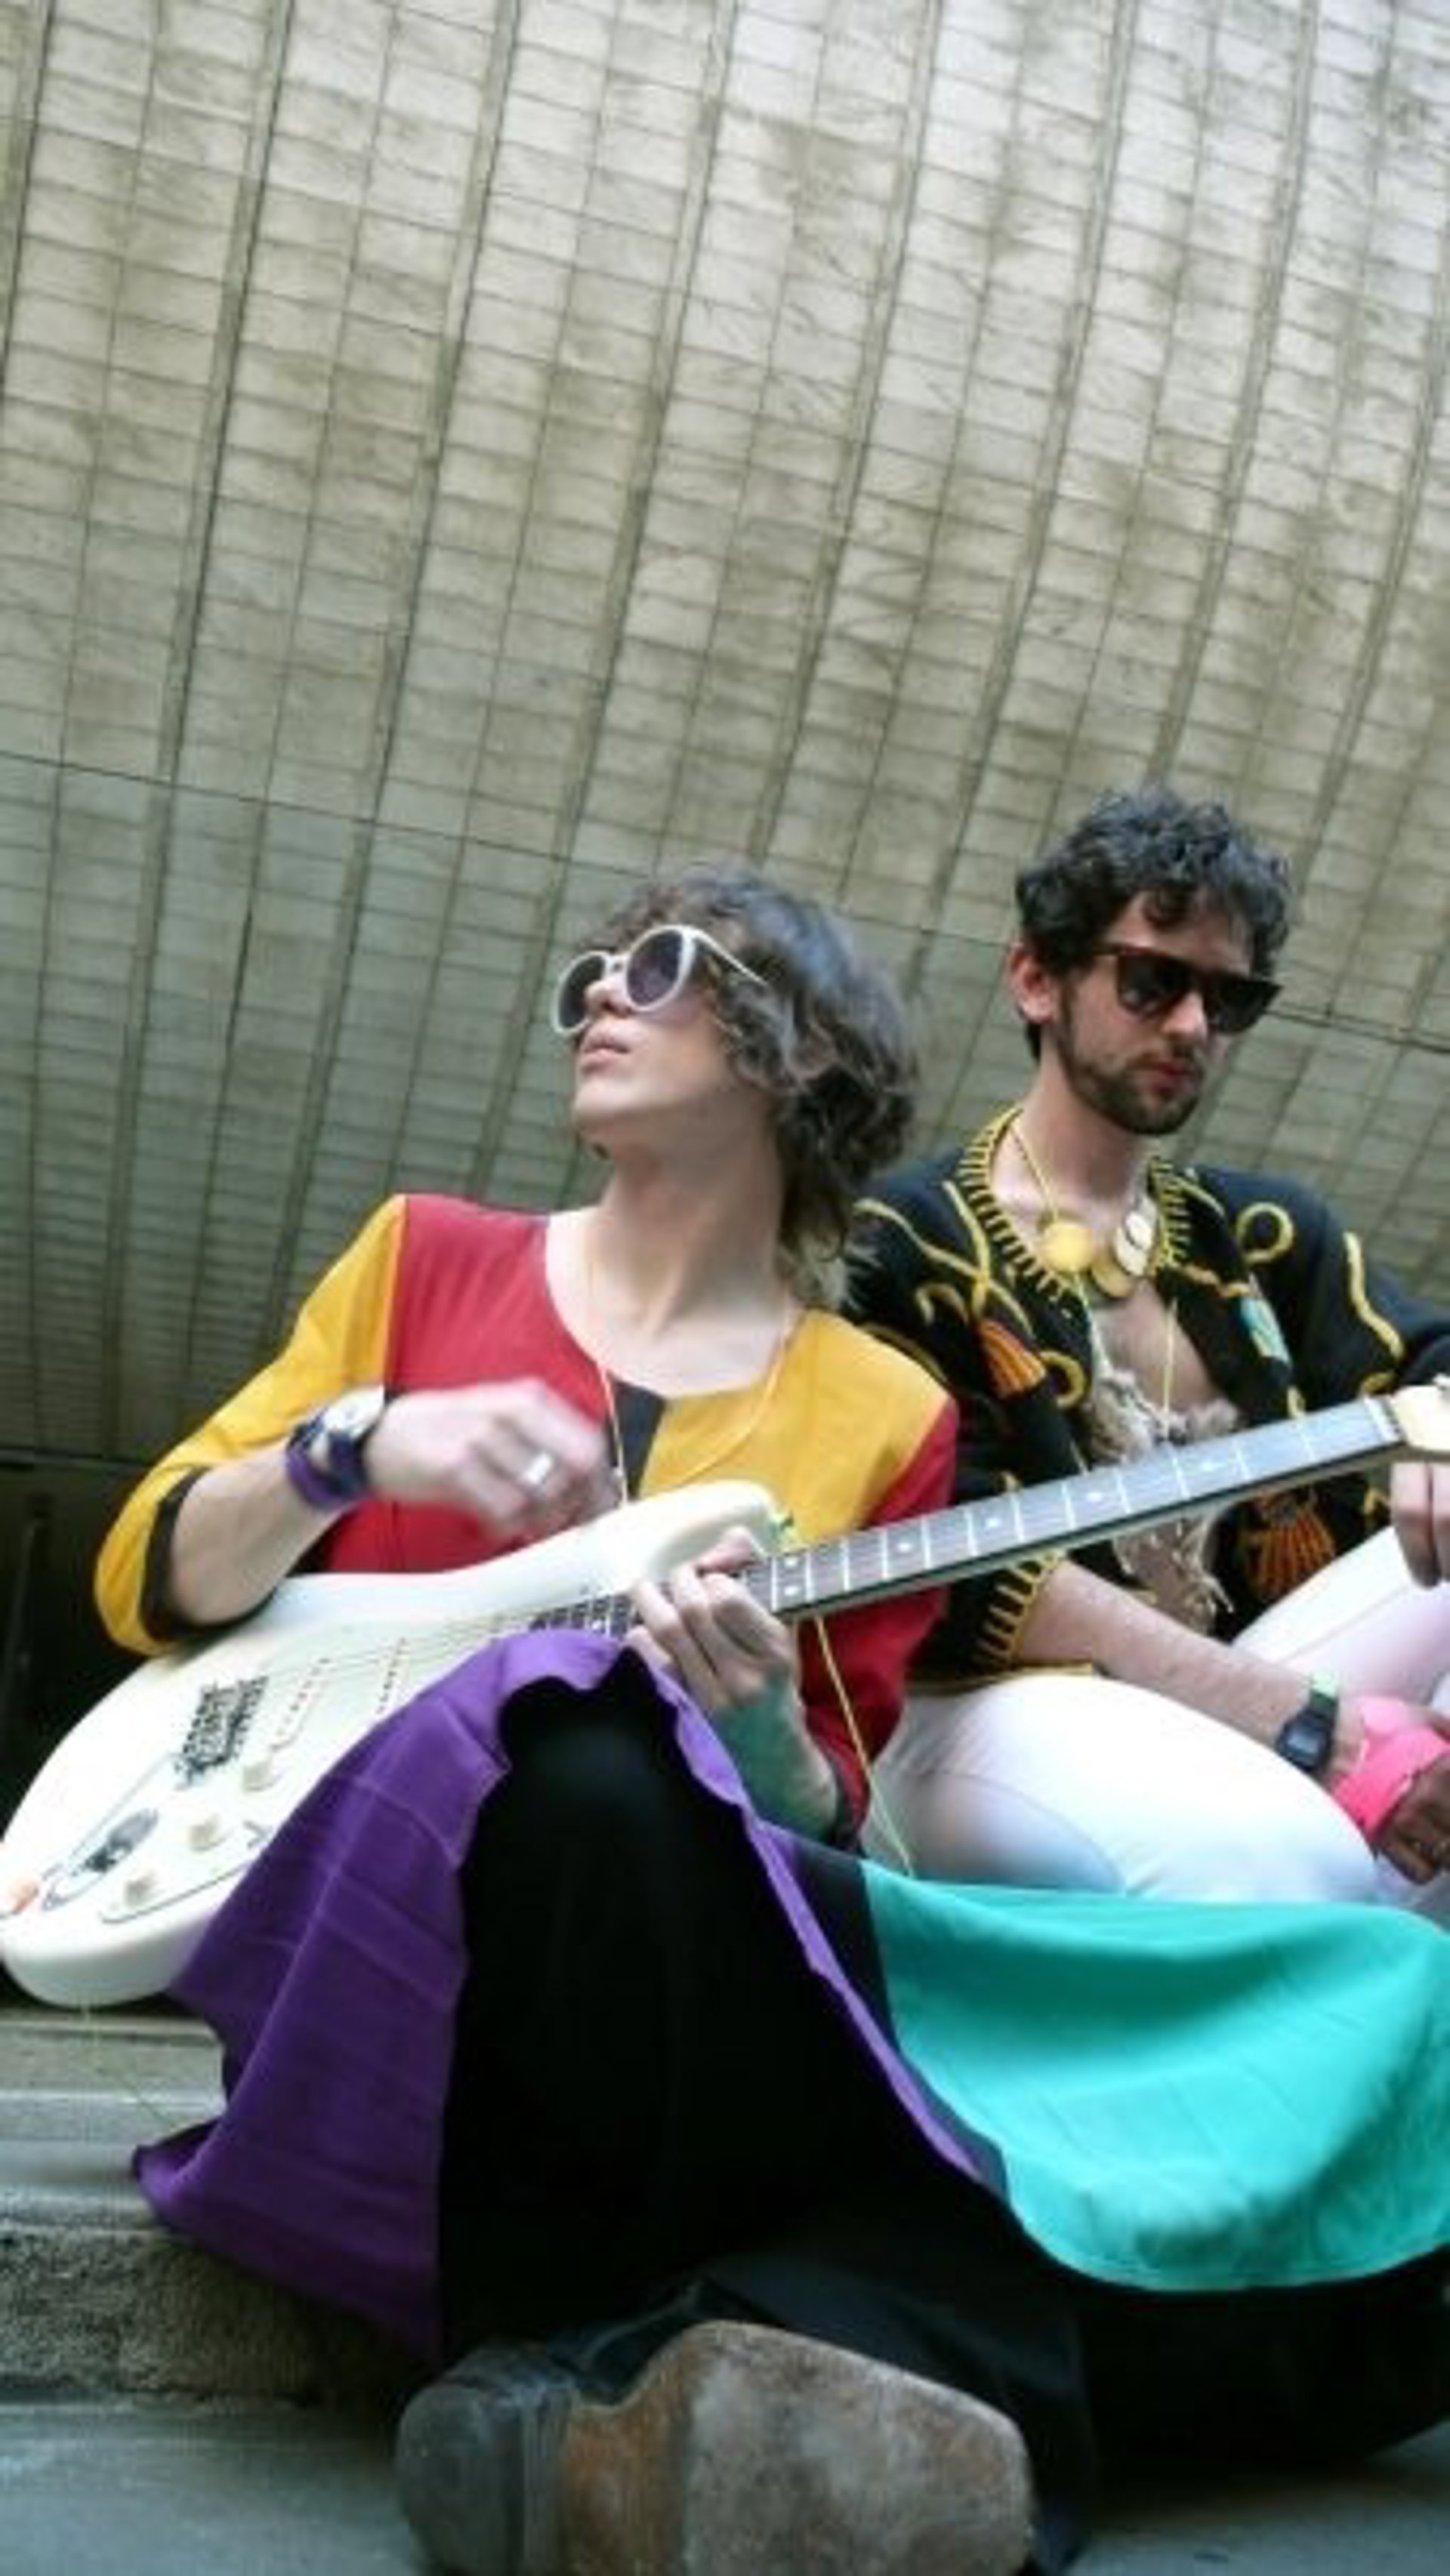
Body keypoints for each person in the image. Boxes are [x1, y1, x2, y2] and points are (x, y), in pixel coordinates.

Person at [94, 864, 1448, 2576]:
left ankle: (643, 2411)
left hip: (693, 1990)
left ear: (792, 1051)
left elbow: (818, 1832)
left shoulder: (882, 1408)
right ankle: (871, 2348)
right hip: (389, 1958)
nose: (600, 992)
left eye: (659, 966)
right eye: (594, 969)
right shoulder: (422, 1257)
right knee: (581, 1754)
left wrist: (747, 1730)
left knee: (1379, 2028)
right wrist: (351, 1448)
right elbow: (147, 1575)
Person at [845, 787, 1450, 1914]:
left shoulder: (1266, 1236)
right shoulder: (903, 1242)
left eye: (1228, 998)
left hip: (1248, 1686)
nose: (1191, 1026)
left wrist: (1438, 1423)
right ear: (1036, 978)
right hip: (980, 1711)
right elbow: (958, 1569)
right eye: (1151, 981)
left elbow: (1433, 1356)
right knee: (1286, 1854)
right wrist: (1314, 1728)